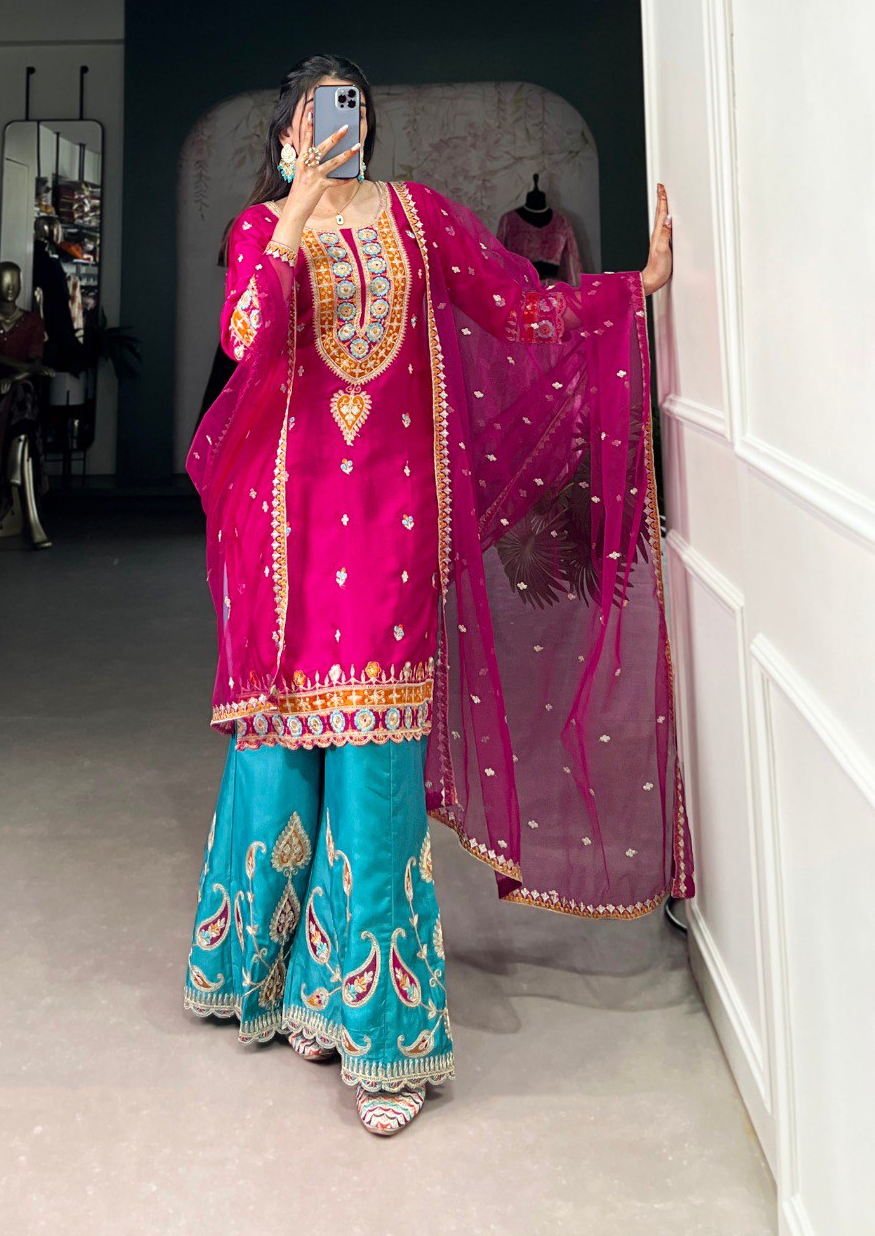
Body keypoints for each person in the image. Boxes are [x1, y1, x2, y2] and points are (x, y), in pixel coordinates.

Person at [183, 55, 693, 1136]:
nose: (338, 124)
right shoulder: (260, 230)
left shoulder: (419, 219)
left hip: (392, 525)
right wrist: (297, 212)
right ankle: (277, 980)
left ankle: (382, 1033)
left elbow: (519, 305)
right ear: (286, 136)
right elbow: (246, 336)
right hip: (286, 531)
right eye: (316, 113)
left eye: (352, 107)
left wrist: (631, 288)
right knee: (284, 757)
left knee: (377, 766)